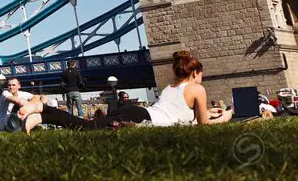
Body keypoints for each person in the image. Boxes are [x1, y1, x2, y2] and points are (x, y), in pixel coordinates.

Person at [20, 51, 234, 132]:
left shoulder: (171, 87)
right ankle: (43, 108)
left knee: (87, 126)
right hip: (144, 119)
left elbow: (186, 116)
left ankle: (40, 115)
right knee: (86, 127)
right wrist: (224, 118)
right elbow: (202, 126)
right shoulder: (198, 88)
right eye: (201, 73)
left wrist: (211, 112)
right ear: (195, 72)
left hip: (139, 114)